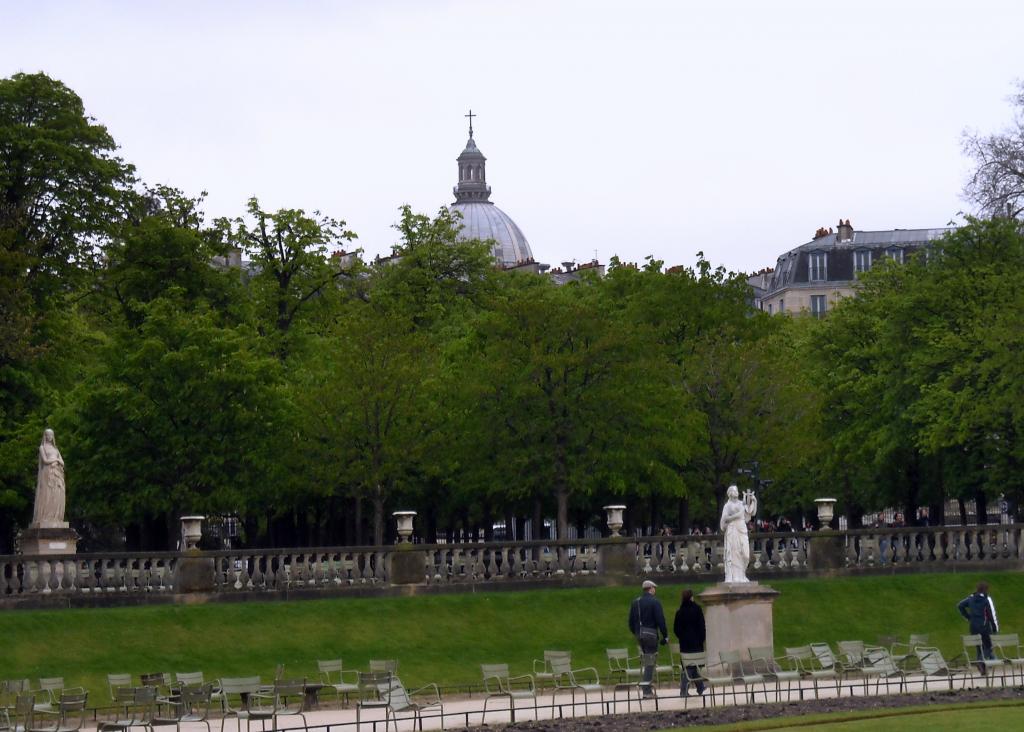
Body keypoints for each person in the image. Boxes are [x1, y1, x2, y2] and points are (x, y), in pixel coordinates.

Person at [628, 579, 669, 697]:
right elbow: (660, 620)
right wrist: (665, 636)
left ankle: (646, 686)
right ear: (651, 589)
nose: (655, 590)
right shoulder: (655, 602)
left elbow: (631, 621)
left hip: (639, 634)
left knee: (647, 661)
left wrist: (636, 632)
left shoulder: (636, 602)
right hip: (651, 635)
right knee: (650, 662)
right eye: (654, 588)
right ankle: (646, 689)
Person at [958, 581, 999, 672]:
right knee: (988, 646)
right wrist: (995, 628)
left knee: (979, 648)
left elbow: (960, 605)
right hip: (984, 627)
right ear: (986, 589)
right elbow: (992, 615)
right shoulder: (986, 599)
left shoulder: (971, 598)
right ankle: (980, 661)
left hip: (973, 627)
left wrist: (968, 617)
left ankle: (983, 671)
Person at [720, 485, 757, 583]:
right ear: (730, 493)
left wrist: (754, 501)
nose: (737, 492)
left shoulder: (742, 504)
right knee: (734, 554)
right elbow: (724, 520)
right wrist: (737, 516)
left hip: (742, 529)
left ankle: (742, 575)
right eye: (735, 490)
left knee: (745, 555)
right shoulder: (727, 506)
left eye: (737, 490)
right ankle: (736, 577)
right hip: (732, 530)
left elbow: (751, 514)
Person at [673, 589, 706, 696]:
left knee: (689, 665)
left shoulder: (679, 612)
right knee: (693, 666)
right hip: (696, 643)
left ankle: (700, 687)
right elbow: (702, 626)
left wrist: (682, 637)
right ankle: (685, 690)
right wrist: (702, 639)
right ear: (692, 598)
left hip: (685, 644)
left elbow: (676, 629)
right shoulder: (697, 610)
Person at [32, 428, 66, 528]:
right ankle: (45, 516)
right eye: (48, 435)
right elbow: (45, 461)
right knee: (47, 493)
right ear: (45, 436)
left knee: (57, 493)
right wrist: (56, 460)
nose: (49, 437)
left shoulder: (56, 449)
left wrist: (57, 461)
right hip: (48, 472)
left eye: (51, 435)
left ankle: (55, 517)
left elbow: (62, 462)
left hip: (57, 473)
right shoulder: (42, 447)